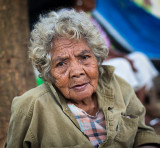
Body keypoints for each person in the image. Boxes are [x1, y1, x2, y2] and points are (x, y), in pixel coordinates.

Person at [4, 9, 160, 148]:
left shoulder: (119, 85)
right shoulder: (30, 108)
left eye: (84, 57)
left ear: (97, 58)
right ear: (47, 72)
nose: (76, 72)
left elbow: (141, 133)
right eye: (61, 63)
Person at [73, 0, 159, 104]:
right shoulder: (72, 23)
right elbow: (86, 53)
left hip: (102, 57)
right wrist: (121, 59)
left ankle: (143, 107)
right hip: (91, 63)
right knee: (123, 66)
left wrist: (123, 56)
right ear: (79, 1)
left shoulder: (88, 19)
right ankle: (133, 113)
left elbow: (106, 48)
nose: (95, 1)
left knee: (139, 57)